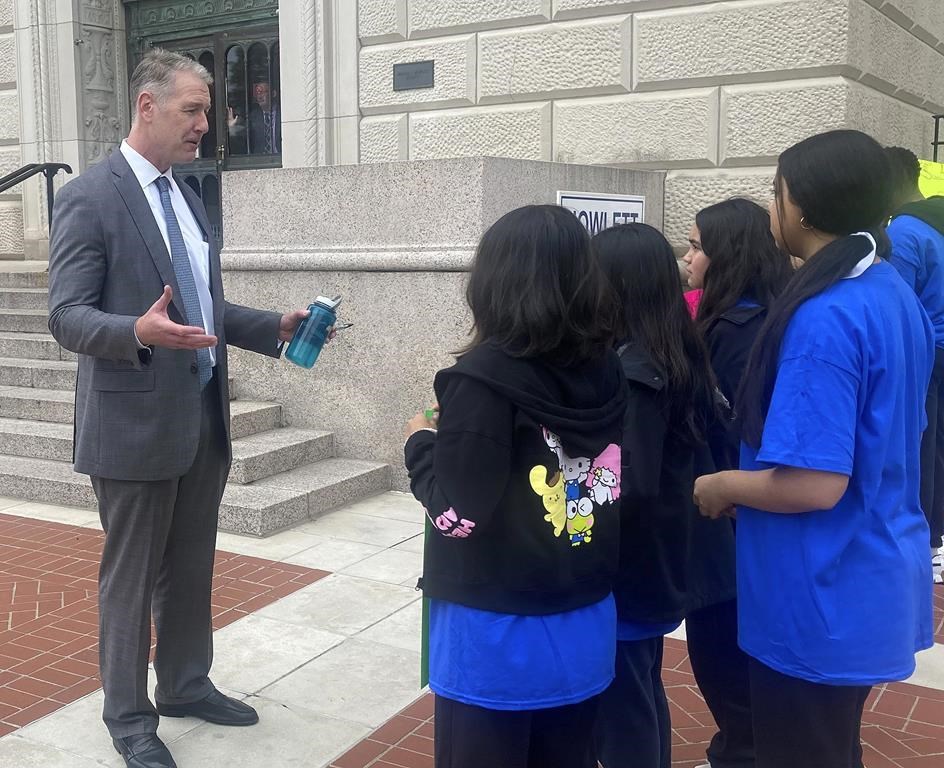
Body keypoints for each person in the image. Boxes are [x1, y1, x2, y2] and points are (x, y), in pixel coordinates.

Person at [47, 49, 316, 768]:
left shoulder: (188, 196)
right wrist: (136, 331)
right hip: (131, 423)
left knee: (191, 567)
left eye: (206, 110)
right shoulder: (90, 197)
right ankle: (129, 718)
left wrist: (272, 326)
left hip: (201, 416)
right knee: (131, 579)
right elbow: (65, 315)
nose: (206, 124)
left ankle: (186, 685)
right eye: (193, 109)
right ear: (147, 105)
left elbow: (202, 308)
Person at [693, 129, 934, 768]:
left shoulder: (825, 317)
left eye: (776, 193)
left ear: (799, 206)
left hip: (818, 590)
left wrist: (721, 485)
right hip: (869, 569)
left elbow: (814, 484)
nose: (772, 208)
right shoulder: (890, 290)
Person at [403, 204, 626, 768]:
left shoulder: (481, 380)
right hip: (585, 621)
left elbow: (457, 516)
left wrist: (420, 444)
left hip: (496, 636)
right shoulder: (608, 368)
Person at [592, 224, 735, 768]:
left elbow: (629, 485)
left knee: (623, 705)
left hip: (632, 571)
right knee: (643, 689)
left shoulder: (634, 375)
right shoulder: (673, 351)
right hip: (659, 563)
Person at [681, 198, 793, 768]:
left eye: (697, 246)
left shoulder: (735, 330)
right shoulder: (772, 312)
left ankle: (741, 751)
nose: (688, 257)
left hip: (730, 511)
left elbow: (725, 424)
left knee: (722, 649)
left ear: (726, 254)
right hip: (747, 510)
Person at [885, 145, 944, 584]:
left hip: (928, 351)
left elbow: (898, 305)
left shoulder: (904, 230)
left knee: (922, 444)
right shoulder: (938, 221)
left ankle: (926, 541)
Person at [246, 82, 281, 155]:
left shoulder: (283, 113)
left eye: (262, 92)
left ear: (273, 93)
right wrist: (233, 127)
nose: (259, 96)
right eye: (257, 93)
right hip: (261, 159)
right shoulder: (253, 116)